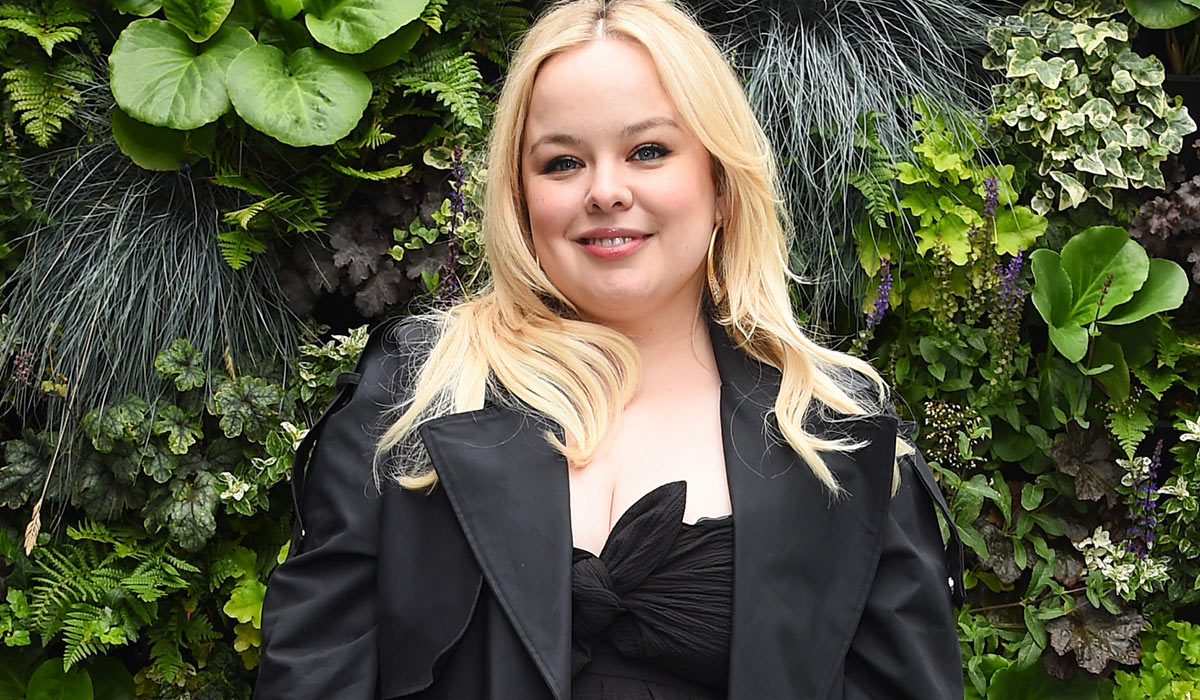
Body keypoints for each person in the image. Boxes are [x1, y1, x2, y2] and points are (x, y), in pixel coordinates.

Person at [255, 0, 965, 698]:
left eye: (648, 151)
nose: (605, 191)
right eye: (562, 162)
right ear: (519, 195)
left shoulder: (833, 434)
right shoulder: (412, 398)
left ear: (719, 182)